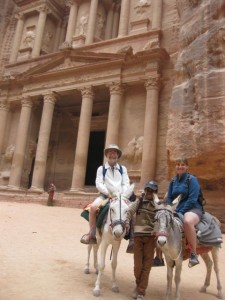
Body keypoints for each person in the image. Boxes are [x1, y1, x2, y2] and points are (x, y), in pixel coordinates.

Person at [80, 144, 130, 244]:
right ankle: (91, 233)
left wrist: (122, 194)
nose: (112, 154)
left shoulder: (122, 169)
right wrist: (109, 193)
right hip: (105, 195)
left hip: (120, 196)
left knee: (132, 209)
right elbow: (99, 184)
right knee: (93, 207)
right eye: (110, 152)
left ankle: (131, 237)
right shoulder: (101, 169)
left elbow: (126, 183)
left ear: (117, 155)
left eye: (114, 152)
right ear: (107, 155)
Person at [167, 158, 203, 268]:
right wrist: (169, 209)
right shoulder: (173, 181)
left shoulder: (192, 180)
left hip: (192, 209)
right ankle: (160, 256)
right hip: (176, 209)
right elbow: (169, 197)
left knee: (187, 221)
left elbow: (192, 199)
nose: (180, 166)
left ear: (187, 167)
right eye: (178, 164)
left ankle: (193, 254)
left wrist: (180, 211)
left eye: (183, 164)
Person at [127, 180, 158, 300]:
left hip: (150, 237)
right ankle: (138, 284)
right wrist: (127, 222)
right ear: (145, 190)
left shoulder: (157, 205)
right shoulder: (139, 201)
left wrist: (155, 229)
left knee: (147, 265)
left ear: (155, 192)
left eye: (152, 190)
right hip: (138, 236)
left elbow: (159, 219)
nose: (149, 192)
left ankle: (141, 291)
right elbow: (130, 211)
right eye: (148, 190)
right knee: (137, 265)